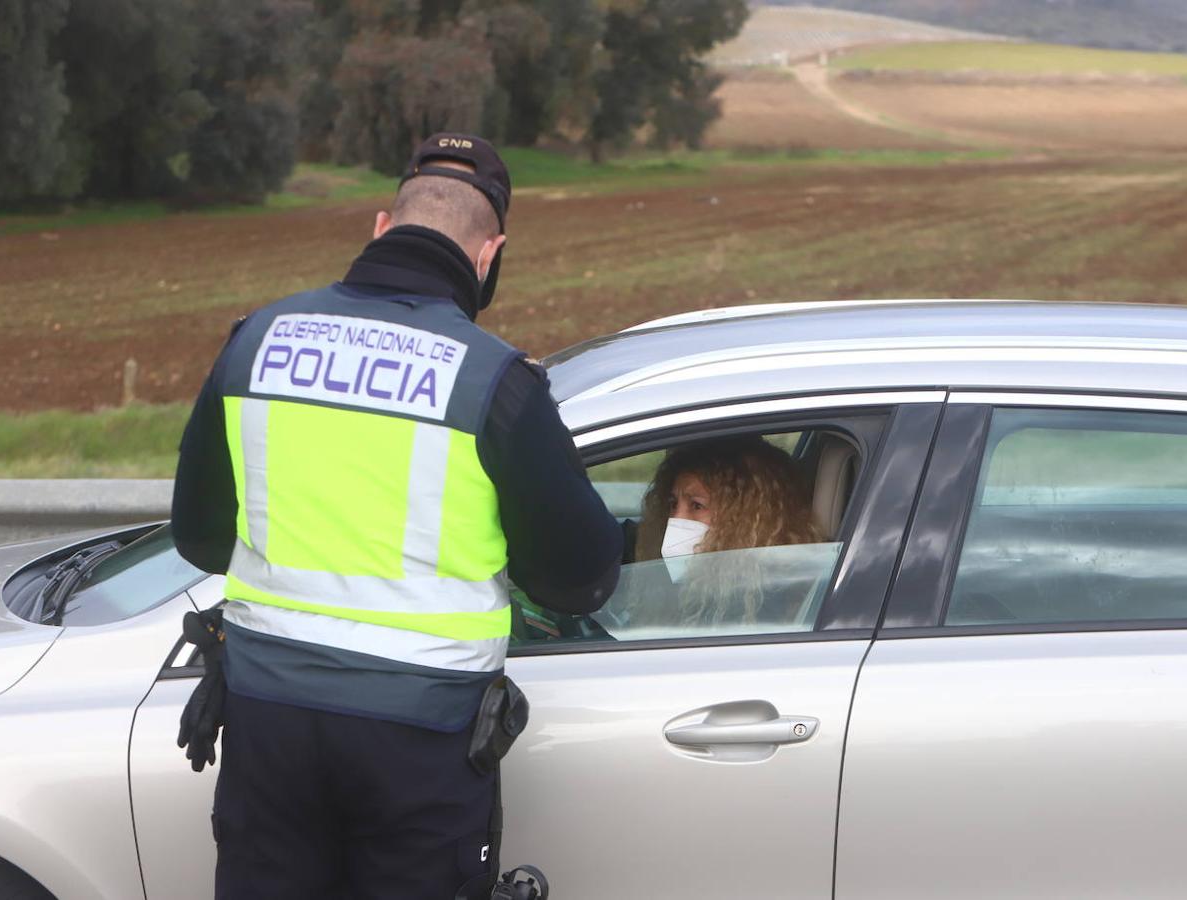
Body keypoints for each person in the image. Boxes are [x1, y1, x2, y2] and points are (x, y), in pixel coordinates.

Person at [169, 132, 622, 899]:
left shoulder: (255, 345)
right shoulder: (495, 383)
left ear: (382, 226)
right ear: (489, 256)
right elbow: (579, 580)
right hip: (422, 741)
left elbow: (200, 535)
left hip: (269, 724)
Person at [631, 435, 822, 626]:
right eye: (673, 504)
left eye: (696, 506)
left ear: (743, 517)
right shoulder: (701, 593)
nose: (676, 519)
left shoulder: (759, 602)